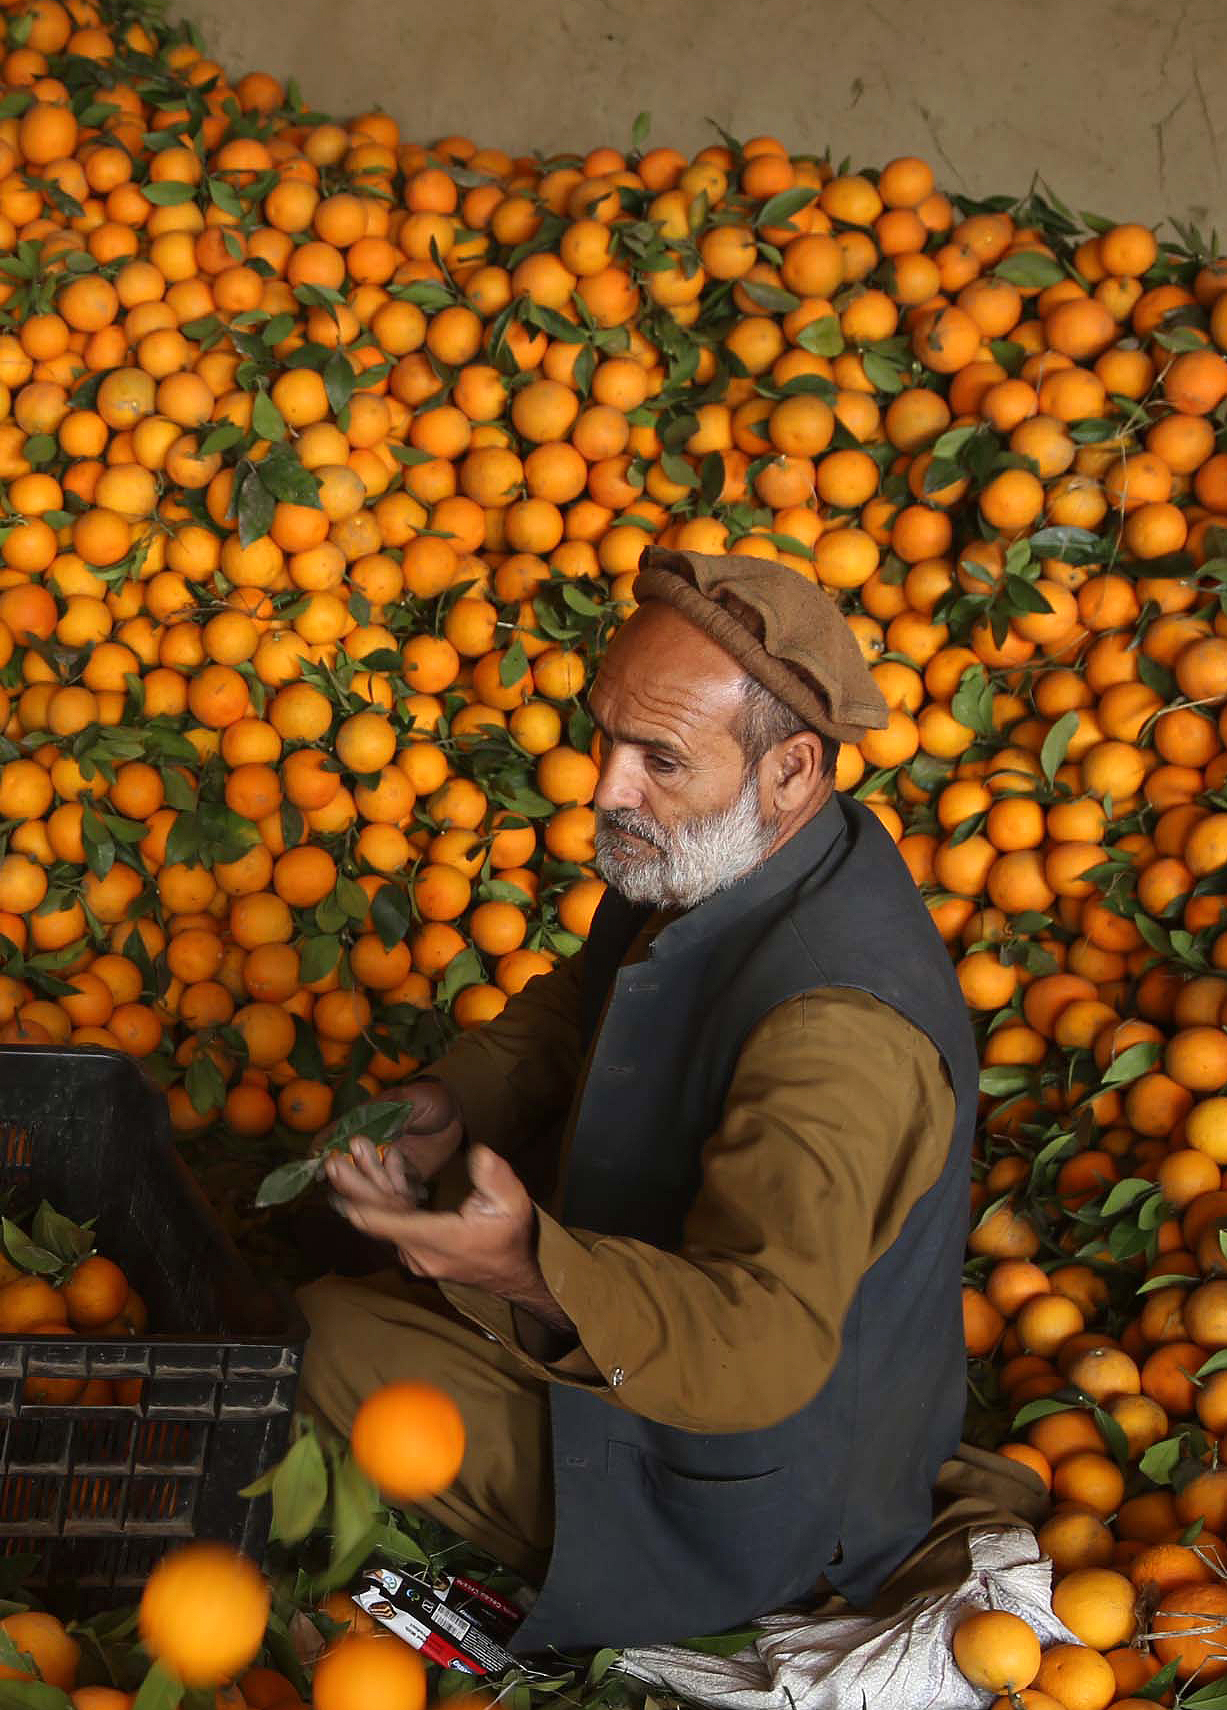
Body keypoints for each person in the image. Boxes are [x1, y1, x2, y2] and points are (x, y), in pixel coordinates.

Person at [295, 550, 986, 1652]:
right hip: (657, 1303)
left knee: (322, 1340)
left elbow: (761, 1343)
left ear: (793, 769)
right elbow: (585, 1002)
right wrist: (449, 1097)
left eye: (658, 757)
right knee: (312, 1209)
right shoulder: (733, 853)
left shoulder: (839, 1040)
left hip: (759, 1485)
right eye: (604, 736)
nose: (606, 787)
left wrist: (528, 1265)